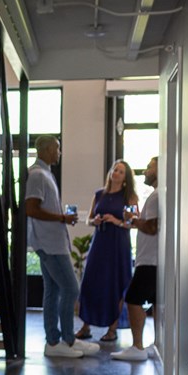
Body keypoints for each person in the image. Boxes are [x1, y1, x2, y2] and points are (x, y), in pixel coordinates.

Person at [25, 135, 100, 358]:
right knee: (71, 288)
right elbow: (31, 209)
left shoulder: (44, 173)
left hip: (52, 242)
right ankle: (65, 339)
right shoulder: (37, 175)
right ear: (47, 150)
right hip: (49, 244)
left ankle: (57, 341)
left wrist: (62, 219)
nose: (59, 152)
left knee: (54, 290)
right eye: (57, 148)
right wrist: (61, 218)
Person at [76, 160, 140, 342]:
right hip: (99, 243)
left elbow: (134, 222)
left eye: (120, 171)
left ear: (126, 178)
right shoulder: (99, 194)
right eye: (115, 169)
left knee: (116, 284)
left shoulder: (130, 197)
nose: (116, 173)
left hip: (118, 245)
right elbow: (88, 219)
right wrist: (94, 221)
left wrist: (117, 221)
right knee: (90, 281)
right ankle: (86, 325)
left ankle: (112, 329)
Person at [112, 157, 159, 361]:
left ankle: (137, 347)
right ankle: (157, 343)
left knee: (132, 299)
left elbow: (151, 227)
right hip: (151, 258)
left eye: (150, 167)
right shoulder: (157, 195)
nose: (145, 171)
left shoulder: (156, 197)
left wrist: (133, 220)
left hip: (150, 259)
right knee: (156, 302)